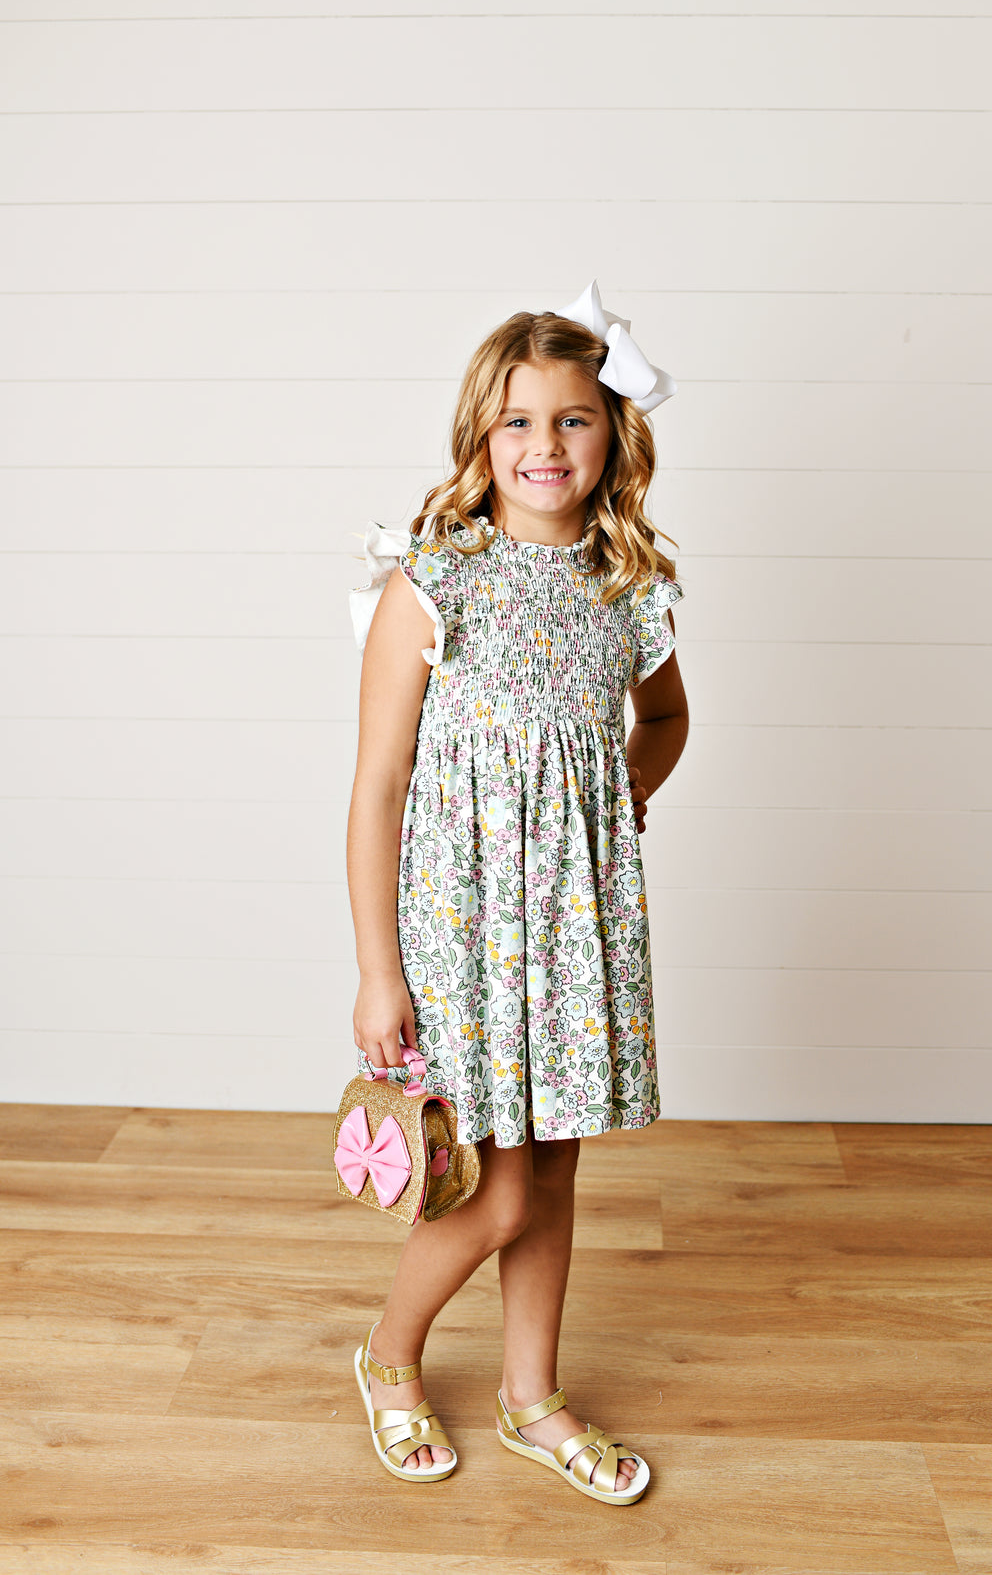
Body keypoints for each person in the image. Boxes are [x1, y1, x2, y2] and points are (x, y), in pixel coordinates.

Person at [344, 280, 689, 1504]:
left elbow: (666, 717)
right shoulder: (435, 582)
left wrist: (619, 795)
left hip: (577, 939)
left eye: (575, 420)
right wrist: (381, 969)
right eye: (519, 424)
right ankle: (389, 1355)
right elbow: (380, 783)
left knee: (550, 1180)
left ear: (613, 435)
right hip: (463, 937)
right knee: (491, 1196)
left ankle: (531, 1393)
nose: (547, 447)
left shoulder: (626, 584)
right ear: (481, 441)